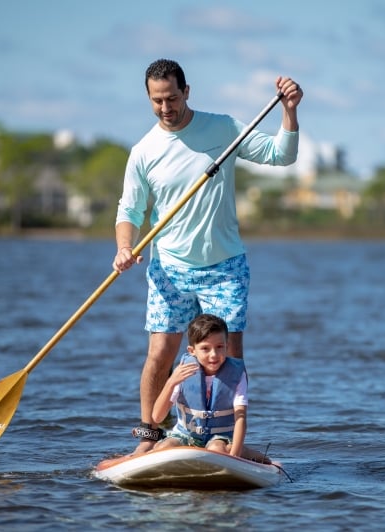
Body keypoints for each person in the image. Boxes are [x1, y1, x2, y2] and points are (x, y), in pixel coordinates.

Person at [113, 58, 303, 454]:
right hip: (170, 268)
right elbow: (129, 212)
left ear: (186, 91)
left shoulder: (224, 129)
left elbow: (280, 156)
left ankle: (229, 443)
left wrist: (289, 110)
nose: (166, 108)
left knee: (228, 357)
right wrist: (124, 247)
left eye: (171, 98)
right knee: (160, 354)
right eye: (156, 101)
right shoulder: (144, 151)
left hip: (225, 267)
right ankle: (150, 438)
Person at [151, 314, 249, 457]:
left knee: (216, 450)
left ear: (227, 346)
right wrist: (171, 382)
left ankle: (246, 453)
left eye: (220, 347)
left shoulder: (237, 375)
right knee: (164, 448)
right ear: (192, 351)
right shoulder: (183, 372)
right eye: (205, 348)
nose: (214, 354)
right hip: (185, 435)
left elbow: (241, 419)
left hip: (220, 438)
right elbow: (157, 417)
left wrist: (234, 457)